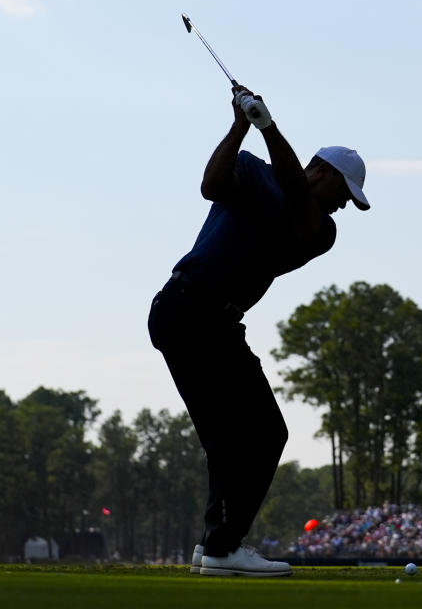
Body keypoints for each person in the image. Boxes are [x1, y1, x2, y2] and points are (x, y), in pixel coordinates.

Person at [147, 85, 369, 577]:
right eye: (344, 193)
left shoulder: (320, 229)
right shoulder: (251, 170)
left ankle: (216, 546)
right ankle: (223, 547)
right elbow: (210, 185)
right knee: (251, 434)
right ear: (325, 172)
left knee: (247, 436)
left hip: (213, 321)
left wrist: (269, 127)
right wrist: (242, 125)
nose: (343, 207)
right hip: (186, 308)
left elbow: (298, 202)